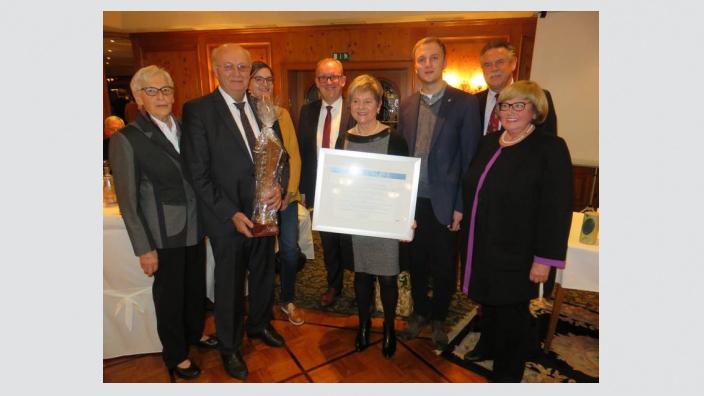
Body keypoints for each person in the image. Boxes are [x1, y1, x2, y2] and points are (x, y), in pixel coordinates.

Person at [181, 44, 288, 380]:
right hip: (228, 219)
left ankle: (258, 325)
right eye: (229, 67)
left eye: (243, 67)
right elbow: (197, 172)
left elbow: (279, 157)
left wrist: (279, 188)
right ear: (216, 70)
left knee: (262, 273)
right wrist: (230, 213)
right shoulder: (198, 110)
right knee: (228, 286)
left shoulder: (264, 108)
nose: (238, 73)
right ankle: (229, 346)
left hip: (264, 213)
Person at [109, 65, 217, 382]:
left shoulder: (186, 128)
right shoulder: (127, 138)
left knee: (195, 289)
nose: (161, 96)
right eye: (152, 91)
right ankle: (176, 354)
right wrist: (144, 248)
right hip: (162, 234)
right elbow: (127, 201)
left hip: (196, 227)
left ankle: (194, 333)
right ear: (138, 97)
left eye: (166, 89)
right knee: (170, 297)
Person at [461, 80, 572, 382]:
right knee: (491, 310)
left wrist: (544, 259)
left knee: (512, 321)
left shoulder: (550, 148)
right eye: (505, 105)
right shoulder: (489, 142)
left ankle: (506, 377)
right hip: (484, 247)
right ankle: (490, 350)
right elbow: (474, 186)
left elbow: (557, 209)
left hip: (518, 255)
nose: (510, 111)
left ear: (535, 111)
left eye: (519, 105)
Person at [396, 37, 482, 349]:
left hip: (447, 204)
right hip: (414, 203)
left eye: (434, 58)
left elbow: (470, 159)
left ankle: (439, 318)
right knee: (416, 262)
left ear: (443, 62)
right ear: (415, 64)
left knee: (445, 266)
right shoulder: (406, 104)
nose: (427, 64)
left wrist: (462, 205)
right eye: (422, 59)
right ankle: (419, 312)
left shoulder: (465, 103)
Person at [335, 74, 410, 359]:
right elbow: (338, 180)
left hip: (385, 221)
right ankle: (364, 324)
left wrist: (404, 219)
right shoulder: (345, 139)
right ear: (350, 105)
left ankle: (389, 327)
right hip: (355, 222)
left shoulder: (395, 140)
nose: (361, 106)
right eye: (356, 101)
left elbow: (405, 185)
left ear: (379, 104)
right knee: (362, 276)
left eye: (368, 101)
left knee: (388, 278)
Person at [247, 60, 305, 326]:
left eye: (268, 80)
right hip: (256, 202)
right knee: (261, 254)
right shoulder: (243, 116)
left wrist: (287, 194)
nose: (264, 84)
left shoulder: (281, 114)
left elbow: (293, 156)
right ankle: (263, 302)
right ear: (248, 83)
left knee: (290, 250)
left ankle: (288, 299)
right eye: (258, 79)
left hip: (285, 200)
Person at [297, 58, 356, 307]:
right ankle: (334, 285)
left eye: (334, 77)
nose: (329, 82)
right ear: (316, 82)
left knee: (354, 243)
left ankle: (362, 287)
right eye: (323, 77)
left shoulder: (357, 109)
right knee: (329, 243)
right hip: (321, 192)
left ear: (343, 80)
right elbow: (302, 153)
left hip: (353, 191)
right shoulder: (307, 112)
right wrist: (303, 190)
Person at [475, 39, 558, 135]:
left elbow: (549, 142)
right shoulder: (472, 102)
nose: (494, 68)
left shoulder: (536, 97)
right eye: (487, 64)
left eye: (500, 62)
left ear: (513, 63)